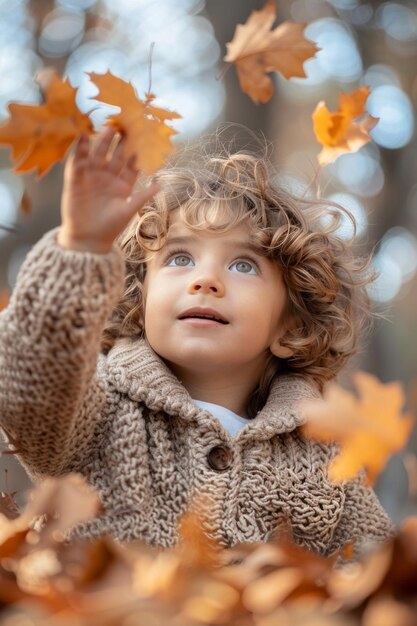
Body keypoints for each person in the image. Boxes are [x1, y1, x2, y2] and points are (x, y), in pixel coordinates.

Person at [0, 127, 394, 559]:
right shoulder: (96, 410)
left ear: (290, 328)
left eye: (243, 265)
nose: (205, 280)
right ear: (140, 299)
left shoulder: (323, 452)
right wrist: (80, 249)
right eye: (180, 258)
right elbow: (26, 388)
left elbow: (376, 569)